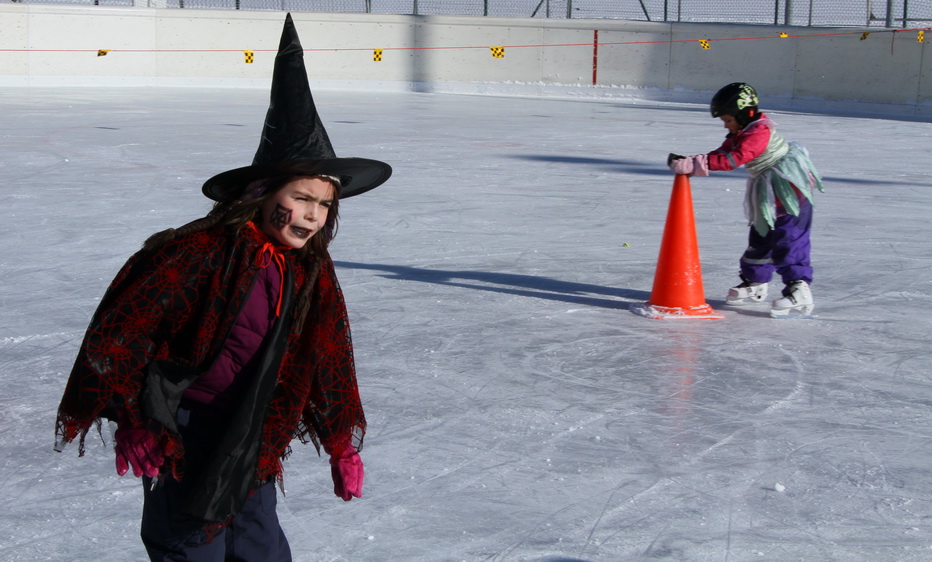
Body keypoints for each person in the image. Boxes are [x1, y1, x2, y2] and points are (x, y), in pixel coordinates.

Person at [54, 14, 391, 560]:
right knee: (191, 546)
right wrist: (136, 420)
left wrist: (339, 444)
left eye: (325, 204)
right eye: (302, 198)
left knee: (258, 547)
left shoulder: (311, 270)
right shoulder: (199, 252)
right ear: (263, 193)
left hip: (253, 429)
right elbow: (120, 334)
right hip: (184, 430)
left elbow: (326, 356)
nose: (313, 215)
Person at [667, 82, 824, 317]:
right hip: (768, 190)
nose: (726, 125)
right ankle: (756, 282)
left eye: (728, 120)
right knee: (761, 235)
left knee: (788, 237)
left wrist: (696, 164)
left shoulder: (759, 132)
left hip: (789, 190)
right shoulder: (742, 131)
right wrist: (692, 161)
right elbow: (722, 153)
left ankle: (798, 288)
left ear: (743, 114)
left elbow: (734, 158)